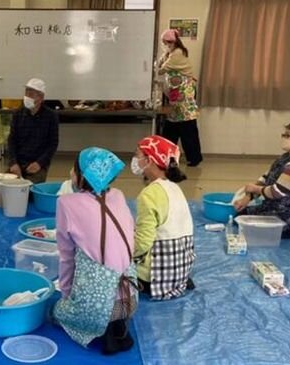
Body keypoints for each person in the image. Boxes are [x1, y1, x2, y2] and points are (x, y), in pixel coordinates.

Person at [53, 147, 138, 355]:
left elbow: (66, 257)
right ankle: (115, 328)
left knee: (54, 313)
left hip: (98, 308)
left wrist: (65, 294)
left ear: (82, 175)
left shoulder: (66, 203)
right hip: (131, 300)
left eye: (74, 169)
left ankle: (101, 329)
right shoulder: (118, 195)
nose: (71, 174)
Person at [131, 135, 195, 300]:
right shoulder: (174, 187)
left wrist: (124, 254)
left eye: (138, 155)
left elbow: (143, 243)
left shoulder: (149, 194)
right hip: (180, 270)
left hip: (155, 277)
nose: (135, 160)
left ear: (150, 160)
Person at [234, 120, 290, 238]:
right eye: (284, 135)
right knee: (239, 217)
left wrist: (254, 188)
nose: (283, 138)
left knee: (252, 229)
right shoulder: (284, 158)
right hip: (277, 207)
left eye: (288, 135)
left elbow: (275, 192)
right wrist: (248, 197)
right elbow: (266, 178)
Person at [157, 29, 202, 167]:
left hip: (184, 95)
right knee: (173, 127)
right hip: (177, 95)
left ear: (172, 42)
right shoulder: (171, 53)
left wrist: (162, 60)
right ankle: (169, 157)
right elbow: (161, 65)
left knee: (186, 127)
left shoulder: (177, 54)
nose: (165, 45)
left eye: (166, 42)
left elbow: (161, 69)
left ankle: (193, 158)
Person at [7, 78, 59, 184]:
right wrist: (13, 163)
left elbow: (53, 144)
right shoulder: (18, 114)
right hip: (19, 163)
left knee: (30, 191)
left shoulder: (51, 116)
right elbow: (11, 140)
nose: (27, 96)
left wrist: (39, 163)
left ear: (41, 97)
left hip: (38, 164)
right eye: (26, 92)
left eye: (31, 93)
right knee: (7, 188)